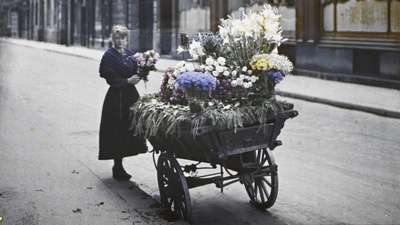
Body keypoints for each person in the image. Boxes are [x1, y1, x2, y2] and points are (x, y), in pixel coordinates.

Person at [98, 25, 147, 181]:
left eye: (123, 38)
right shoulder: (109, 56)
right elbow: (109, 79)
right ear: (113, 39)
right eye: (117, 38)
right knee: (117, 130)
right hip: (116, 98)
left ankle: (121, 163)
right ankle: (117, 166)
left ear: (127, 39)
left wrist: (141, 74)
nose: (120, 41)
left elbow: (136, 69)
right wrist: (127, 80)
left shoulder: (129, 54)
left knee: (129, 127)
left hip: (130, 96)